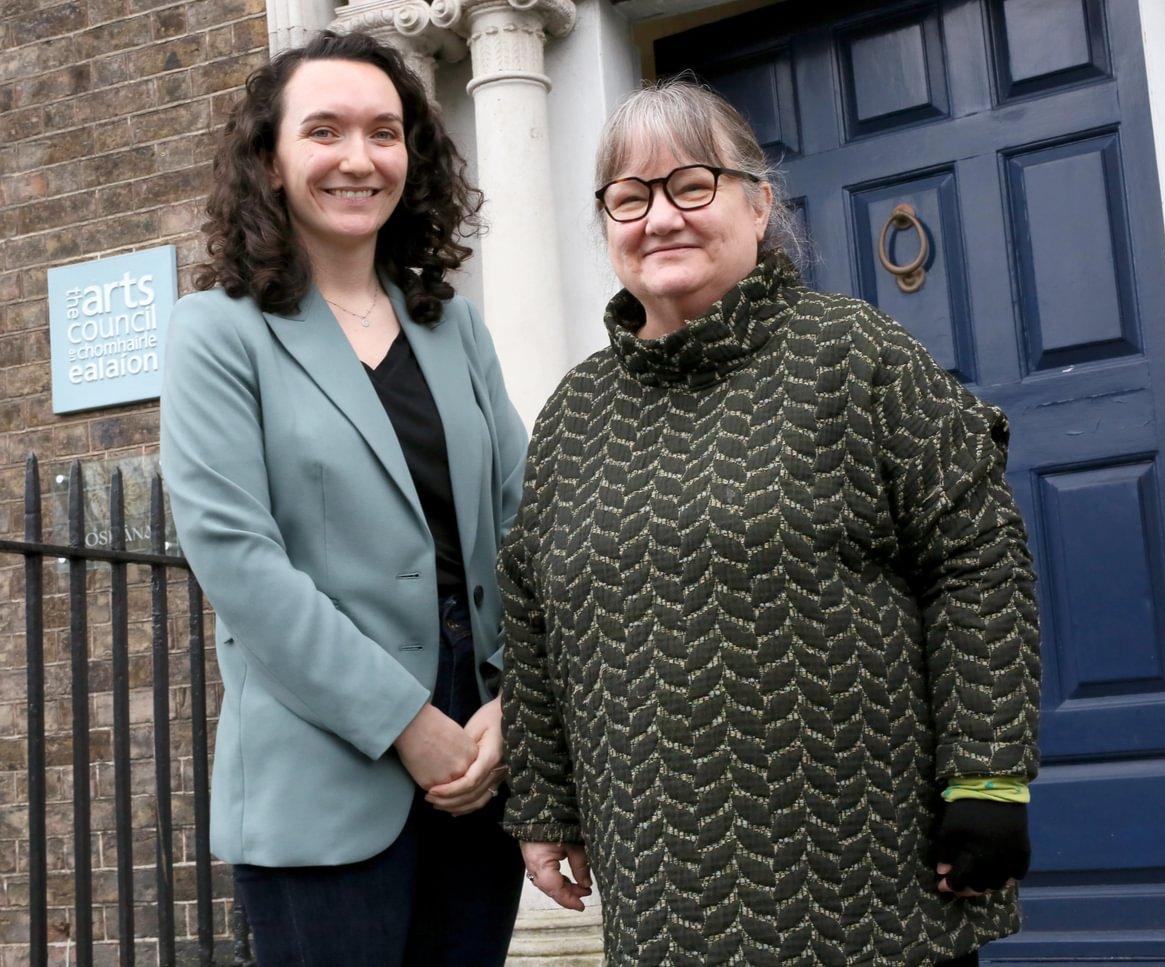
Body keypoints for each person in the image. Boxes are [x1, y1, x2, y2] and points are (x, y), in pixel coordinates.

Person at [499, 79, 1040, 966]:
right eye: (629, 198)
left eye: (691, 185)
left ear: (759, 205)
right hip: (664, 888)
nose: (659, 217)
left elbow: (975, 557)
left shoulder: (855, 355)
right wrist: (547, 808)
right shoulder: (575, 413)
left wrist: (989, 776)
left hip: (870, 883)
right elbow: (531, 615)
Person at [159, 31, 527, 966]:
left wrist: (512, 702)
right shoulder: (216, 335)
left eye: (385, 132)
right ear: (271, 164)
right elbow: (241, 563)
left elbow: (532, 526)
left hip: (482, 750)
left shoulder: (454, 326)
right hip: (326, 764)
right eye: (323, 131)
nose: (359, 159)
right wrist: (409, 723)